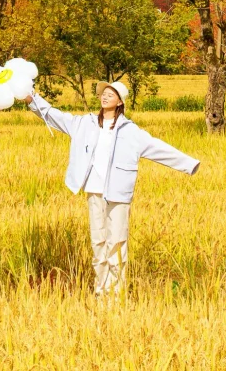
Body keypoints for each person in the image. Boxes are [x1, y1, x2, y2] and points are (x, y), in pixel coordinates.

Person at [21, 80, 199, 297]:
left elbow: (157, 147)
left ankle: (115, 294)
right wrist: (32, 100)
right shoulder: (84, 124)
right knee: (98, 243)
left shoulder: (131, 131)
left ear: (120, 102)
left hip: (118, 193)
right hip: (94, 191)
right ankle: (100, 291)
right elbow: (55, 116)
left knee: (117, 243)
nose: (105, 97)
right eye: (103, 93)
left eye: (110, 94)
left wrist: (189, 164)